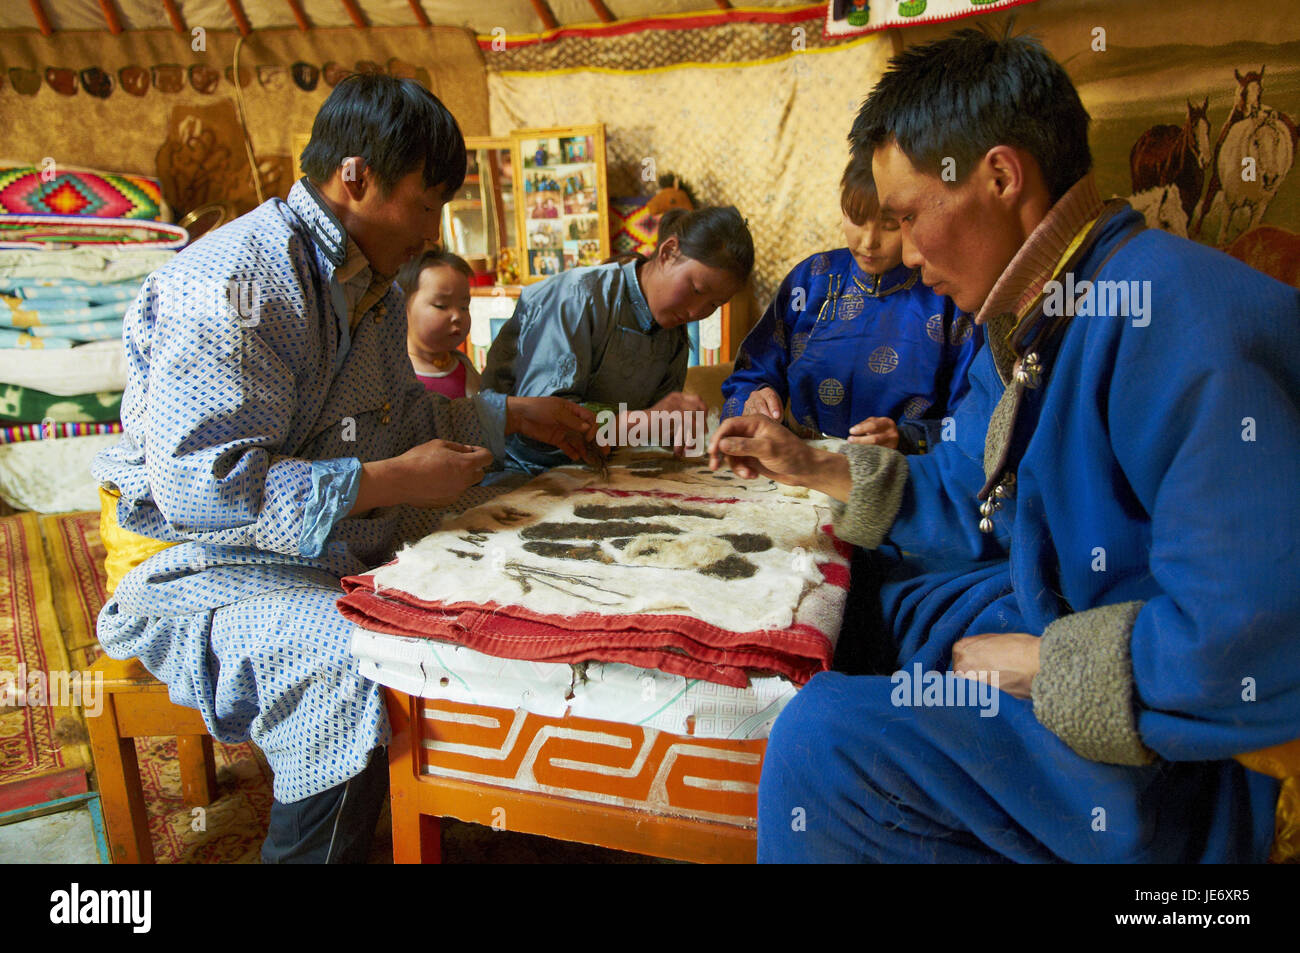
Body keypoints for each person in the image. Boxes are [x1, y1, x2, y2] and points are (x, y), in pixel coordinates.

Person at [708, 29, 1300, 863]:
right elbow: (965, 488)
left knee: (822, 744)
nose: (907, 254)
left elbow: (1256, 635)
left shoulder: (1173, 319)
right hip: (1056, 615)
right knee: (869, 595)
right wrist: (809, 463)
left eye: (911, 217)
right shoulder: (1034, 316)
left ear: (999, 175)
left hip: (1172, 760)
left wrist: (1044, 664)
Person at [92, 74, 595, 863]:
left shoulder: (367, 285)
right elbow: (205, 487)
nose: (431, 229)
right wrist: (390, 482)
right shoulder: (237, 281)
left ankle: (454, 788)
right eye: (425, 204)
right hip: (196, 563)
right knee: (344, 664)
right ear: (354, 177)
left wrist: (514, 416)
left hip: (304, 541)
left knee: (507, 525)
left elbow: (404, 419)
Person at [721, 154, 980, 454]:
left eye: (889, 225)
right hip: (796, 466)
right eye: (856, 219)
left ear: (913, 219)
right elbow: (749, 375)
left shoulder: (946, 295)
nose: (869, 241)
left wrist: (906, 438)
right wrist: (755, 397)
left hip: (898, 473)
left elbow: (974, 420)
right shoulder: (812, 277)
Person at [482, 205, 755, 474]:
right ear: (668, 252)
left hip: (597, 473)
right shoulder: (577, 296)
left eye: (714, 305)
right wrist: (639, 423)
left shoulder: (674, 335)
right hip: (517, 471)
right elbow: (536, 430)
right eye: (696, 289)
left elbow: (645, 429)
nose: (697, 312)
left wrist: (675, 428)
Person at [400, 249, 480, 400]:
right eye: (441, 305)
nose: (457, 316)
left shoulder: (465, 368)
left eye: (464, 307)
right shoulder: (396, 374)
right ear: (403, 306)